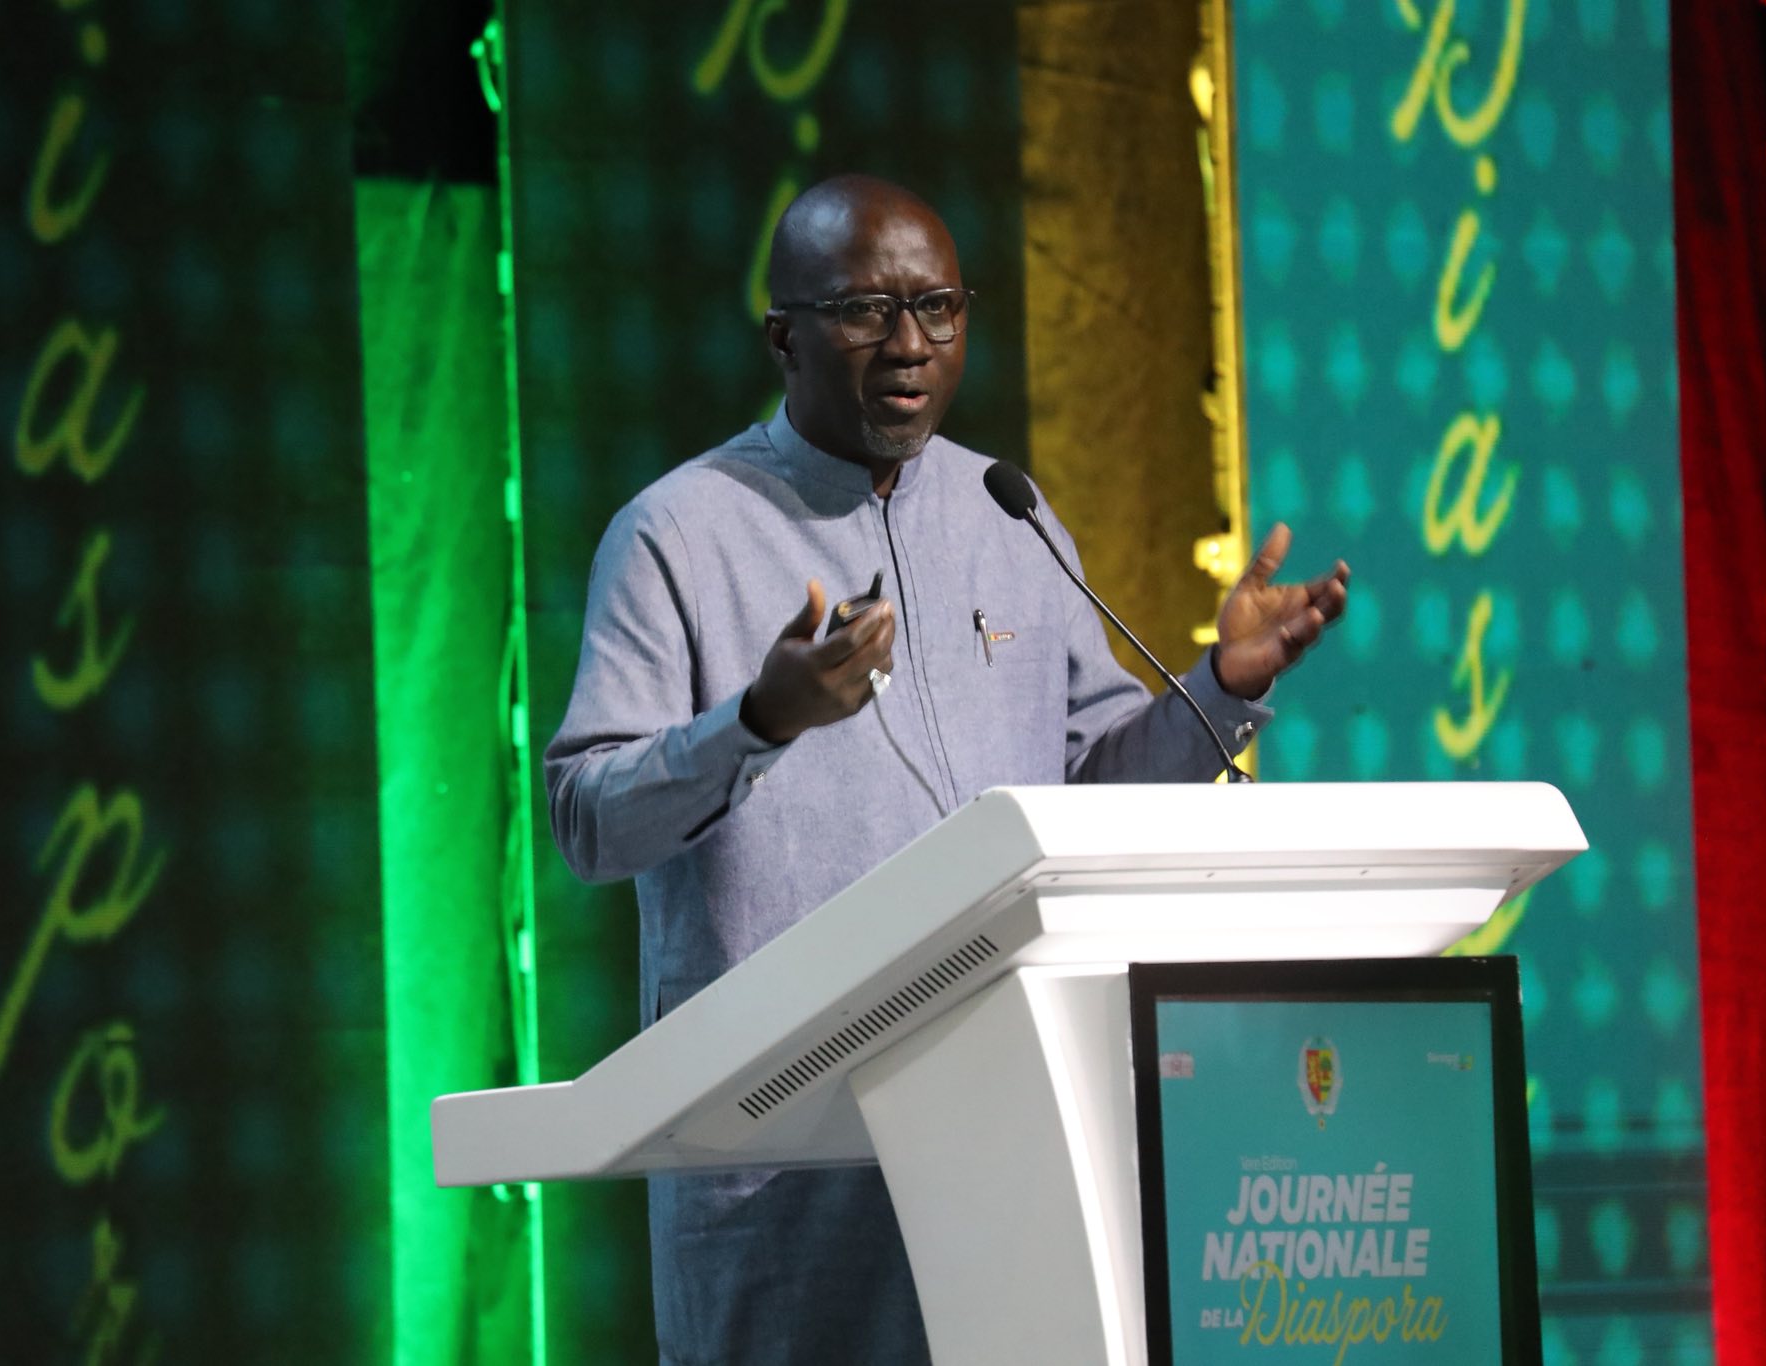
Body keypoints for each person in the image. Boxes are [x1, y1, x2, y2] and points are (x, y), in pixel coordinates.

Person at [545, 173, 1349, 1365]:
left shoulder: (1005, 515)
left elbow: (1091, 803)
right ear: (783, 337)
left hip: (1008, 1136)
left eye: (937, 307)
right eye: (865, 311)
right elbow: (586, 818)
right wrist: (758, 720)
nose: (909, 344)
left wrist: (1219, 688)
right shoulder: (677, 533)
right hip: (783, 1167)